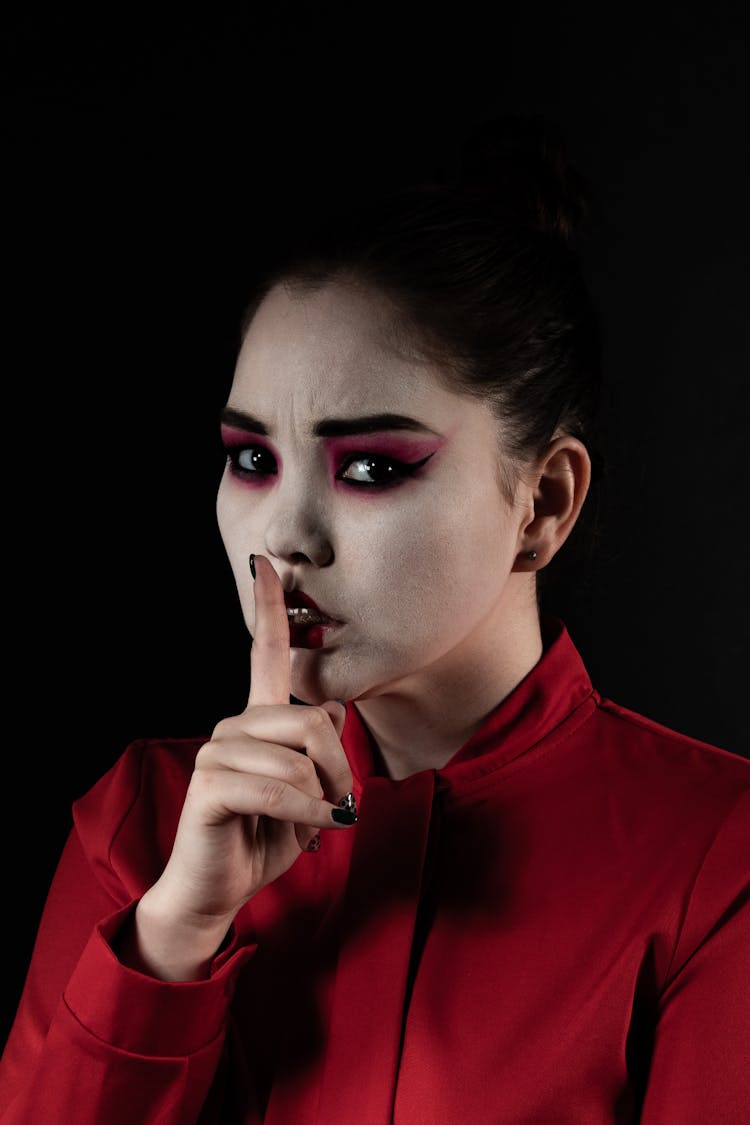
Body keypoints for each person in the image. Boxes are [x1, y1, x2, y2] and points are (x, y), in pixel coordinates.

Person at [1, 115, 748, 1125]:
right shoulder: (144, 826)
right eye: (251, 457)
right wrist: (173, 938)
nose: (284, 535)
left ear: (544, 503)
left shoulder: (716, 856)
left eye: (370, 467)